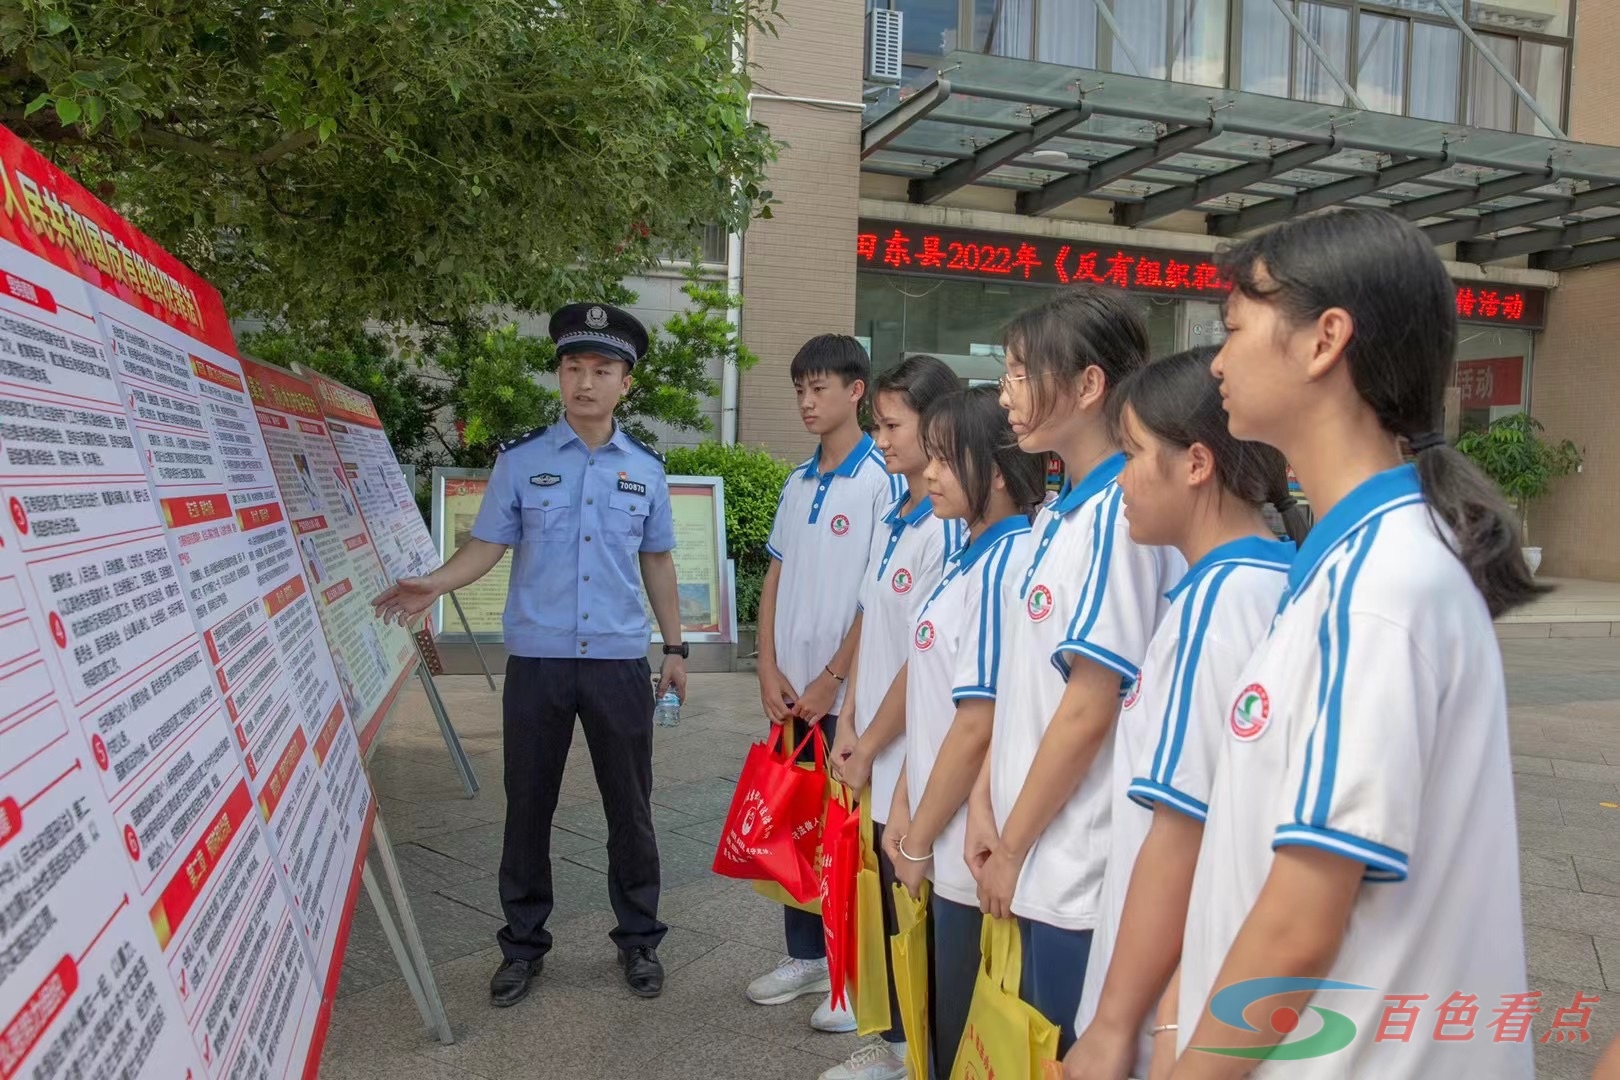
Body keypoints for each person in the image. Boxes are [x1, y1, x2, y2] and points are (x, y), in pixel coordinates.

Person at [1168, 207, 1537, 1078]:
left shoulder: (1381, 585)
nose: (1217, 360)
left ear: (1325, 338)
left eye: (1234, 327)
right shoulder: (1349, 563)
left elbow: (1302, 922)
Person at [371, 303, 688, 1007]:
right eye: (574, 368)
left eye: (601, 370)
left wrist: (675, 649)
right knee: (528, 809)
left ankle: (639, 941)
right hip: (539, 664)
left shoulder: (646, 469)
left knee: (630, 809)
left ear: (625, 383)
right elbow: (487, 547)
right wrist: (436, 581)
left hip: (616, 664)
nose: (585, 382)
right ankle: (522, 947)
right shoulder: (522, 461)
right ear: (559, 375)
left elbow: (658, 562)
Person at [1062, 348, 1306, 1080]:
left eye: (1134, 453)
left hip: (1164, 1013)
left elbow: (1182, 832)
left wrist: (1113, 1025)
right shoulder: (1271, 578)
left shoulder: (1218, 604)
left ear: (1196, 463)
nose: (1122, 480)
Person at [967, 288, 1185, 1055]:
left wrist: (1016, 844)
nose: (1007, 394)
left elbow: (1090, 707)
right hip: (1033, 852)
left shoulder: (1125, 516)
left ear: (1089, 385)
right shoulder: (1060, 511)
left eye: (1022, 373)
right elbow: (1031, 684)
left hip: (1077, 871)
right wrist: (988, 803)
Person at [886, 385, 1047, 1079]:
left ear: (1001, 472)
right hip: (935, 834)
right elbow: (934, 699)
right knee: (939, 1029)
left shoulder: (1007, 564)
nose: (929, 473)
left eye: (947, 461)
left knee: (962, 1039)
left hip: (959, 851)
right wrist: (902, 804)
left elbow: (978, 722)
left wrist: (919, 838)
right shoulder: (969, 556)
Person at [747, 334, 902, 1032]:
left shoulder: (883, 481)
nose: (808, 402)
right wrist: (767, 665)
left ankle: (848, 974)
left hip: (848, 698)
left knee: (846, 834)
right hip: (791, 694)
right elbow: (774, 576)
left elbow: (881, 599)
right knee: (794, 819)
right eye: (800, 389)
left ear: (856, 392)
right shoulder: (797, 480)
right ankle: (806, 957)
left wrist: (833, 679)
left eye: (821, 388)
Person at [823, 355, 964, 1080]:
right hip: (871, 742)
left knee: (915, 909)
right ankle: (896, 1040)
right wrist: (848, 724)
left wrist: (873, 737)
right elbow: (876, 631)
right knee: (882, 901)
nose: (879, 438)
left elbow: (927, 659)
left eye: (891, 425)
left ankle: (914, 1051)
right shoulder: (899, 513)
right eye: (878, 423)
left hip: (910, 749)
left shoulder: (945, 530)